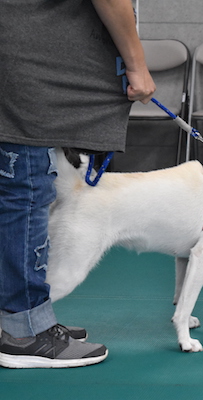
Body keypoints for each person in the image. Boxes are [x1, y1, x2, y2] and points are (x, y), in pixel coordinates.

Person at [0, 0, 156, 368]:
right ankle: (23, 332)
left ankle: (15, 321)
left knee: (18, 190)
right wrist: (137, 66)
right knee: (25, 193)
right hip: (27, 66)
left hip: (21, 57)